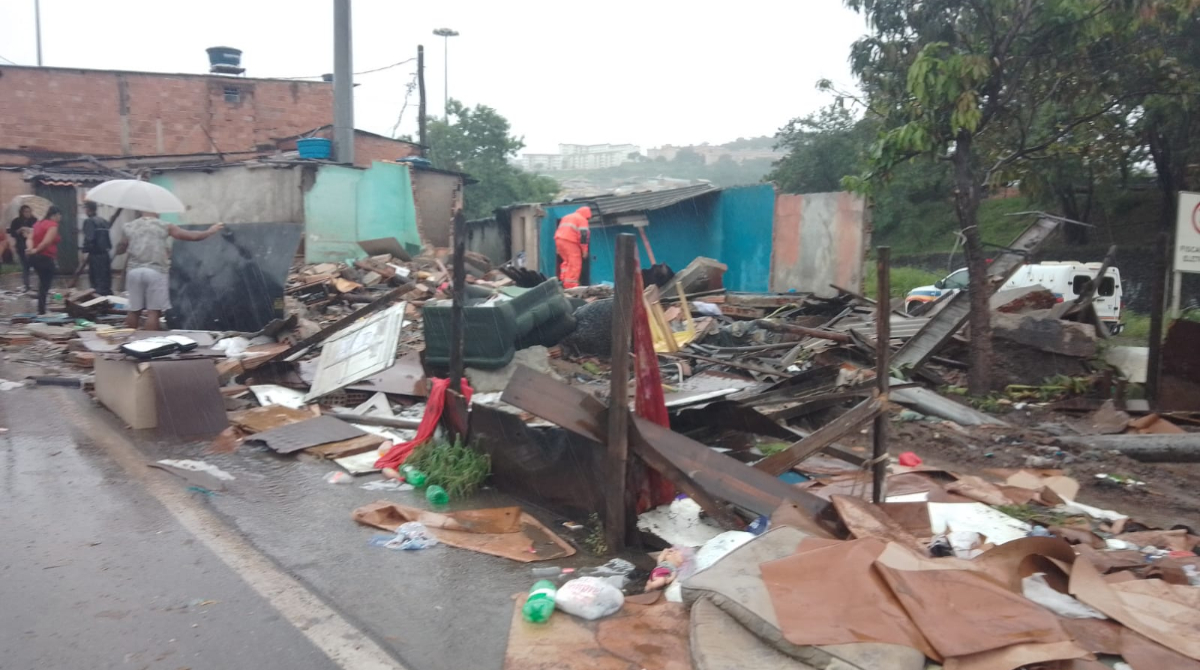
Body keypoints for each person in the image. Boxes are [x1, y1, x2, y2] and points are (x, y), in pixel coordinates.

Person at [115, 212, 223, 331]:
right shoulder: (164, 225)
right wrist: (210, 231)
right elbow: (192, 236)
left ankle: (127, 341)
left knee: (134, 310)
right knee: (153, 312)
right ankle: (150, 345)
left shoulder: (129, 226)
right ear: (156, 212)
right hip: (155, 271)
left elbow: (120, 249)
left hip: (134, 272)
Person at [27, 206, 61, 315]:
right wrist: (36, 250)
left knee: (42, 283)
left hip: (34, 258)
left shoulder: (37, 224)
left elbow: (29, 238)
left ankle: (41, 308)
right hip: (45, 257)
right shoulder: (52, 225)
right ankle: (41, 310)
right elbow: (46, 242)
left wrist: (30, 249)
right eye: (59, 215)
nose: (60, 218)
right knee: (45, 284)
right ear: (54, 215)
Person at [554, 205, 592, 289]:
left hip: (559, 240)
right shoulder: (582, 219)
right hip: (570, 241)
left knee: (567, 262)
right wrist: (584, 250)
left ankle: (563, 280)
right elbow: (583, 236)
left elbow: (561, 230)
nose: (588, 220)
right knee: (575, 264)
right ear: (587, 215)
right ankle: (571, 286)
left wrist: (558, 247)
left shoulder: (567, 217)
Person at [81, 201, 113, 296]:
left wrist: (85, 249)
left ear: (88, 209)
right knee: (105, 278)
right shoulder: (104, 221)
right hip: (105, 254)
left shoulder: (89, 221)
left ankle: (98, 301)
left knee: (96, 280)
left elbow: (90, 238)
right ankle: (106, 298)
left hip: (95, 255)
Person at [8, 204, 37, 292]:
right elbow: (12, 233)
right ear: (21, 212)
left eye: (29, 211)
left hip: (33, 245)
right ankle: (27, 285)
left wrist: (29, 231)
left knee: (37, 265)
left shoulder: (34, 220)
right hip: (21, 246)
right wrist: (20, 230)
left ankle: (39, 285)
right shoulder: (16, 221)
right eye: (25, 212)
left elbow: (38, 231)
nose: (27, 213)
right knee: (25, 266)